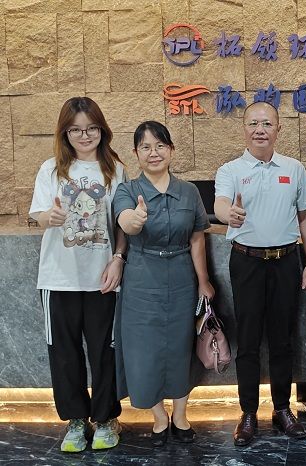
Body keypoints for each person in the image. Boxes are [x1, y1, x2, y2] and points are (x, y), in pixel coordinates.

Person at [214, 101, 306, 447]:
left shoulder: (294, 168)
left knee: (282, 339)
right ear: (244, 128)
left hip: (286, 261)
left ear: (278, 129)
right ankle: (247, 413)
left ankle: (282, 409)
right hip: (247, 262)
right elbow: (220, 204)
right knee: (248, 340)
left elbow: (305, 216)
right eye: (254, 123)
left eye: (267, 123)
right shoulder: (230, 170)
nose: (260, 129)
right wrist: (230, 214)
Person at [29, 96, 126, 452]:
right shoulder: (51, 169)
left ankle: (106, 419)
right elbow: (39, 215)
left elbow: (122, 223)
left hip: (103, 280)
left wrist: (118, 259)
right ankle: (75, 421)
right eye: (76, 130)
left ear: (102, 130)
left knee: (104, 352)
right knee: (64, 353)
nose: (85, 136)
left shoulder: (115, 170)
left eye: (91, 128)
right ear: (65, 133)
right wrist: (49, 218)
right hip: (59, 278)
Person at [114, 121, 215, 447]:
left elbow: (197, 237)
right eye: (145, 147)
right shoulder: (127, 190)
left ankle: (181, 416)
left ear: (171, 150)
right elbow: (125, 221)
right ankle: (159, 418)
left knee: (180, 348)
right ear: (136, 153)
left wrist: (203, 281)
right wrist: (134, 220)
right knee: (144, 352)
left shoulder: (189, 191)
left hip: (182, 278)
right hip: (142, 280)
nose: (153, 153)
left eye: (160, 145)